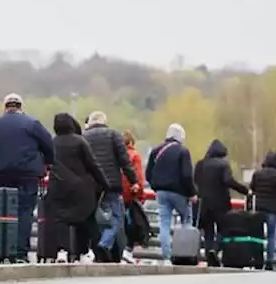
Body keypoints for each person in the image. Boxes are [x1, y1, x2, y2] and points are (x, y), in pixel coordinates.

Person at [0, 94, 54, 263]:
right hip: (27, 174)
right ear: (21, 107)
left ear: (5, 107)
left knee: (0, 212)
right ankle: (20, 252)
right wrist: (48, 163)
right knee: (24, 211)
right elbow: (49, 145)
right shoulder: (32, 124)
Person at [46, 113, 110, 262]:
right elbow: (93, 165)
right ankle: (85, 252)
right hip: (81, 187)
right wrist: (105, 183)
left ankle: (62, 250)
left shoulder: (52, 143)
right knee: (86, 219)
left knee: (60, 219)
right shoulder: (80, 142)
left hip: (59, 186)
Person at [82, 111, 139, 262]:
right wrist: (134, 181)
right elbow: (124, 161)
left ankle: (96, 249)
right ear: (104, 121)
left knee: (96, 218)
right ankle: (104, 244)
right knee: (117, 217)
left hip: (90, 184)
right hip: (111, 183)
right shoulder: (113, 135)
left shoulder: (83, 137)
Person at [145, 123, 196, 263]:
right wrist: (192, 193)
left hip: (161, 193)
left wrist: (156, 187)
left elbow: (148, 173)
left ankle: (166, 257)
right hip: (179, 193)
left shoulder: (156, 151)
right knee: (187, 220)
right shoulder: (183, 151)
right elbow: (187, 175)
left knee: (164, 224)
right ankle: (186, 254)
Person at [194, 139, 249, 265]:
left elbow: (195, 182)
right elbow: (228, 180)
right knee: (223, 229)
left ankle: (209, 256)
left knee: (208, 231)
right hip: (220, 204)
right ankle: (215, 249)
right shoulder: (223, 165)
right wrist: (244, 190)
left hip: (203, 204)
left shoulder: (200, 164)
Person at [120, 130, 146, 258]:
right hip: (131, 193)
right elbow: (139, 176)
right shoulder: (134, 155)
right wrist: (141, 194)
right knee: (132, 222)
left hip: (118, 192)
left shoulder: (117, 154)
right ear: (131, 142)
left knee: (119, 221)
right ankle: (128, 248)